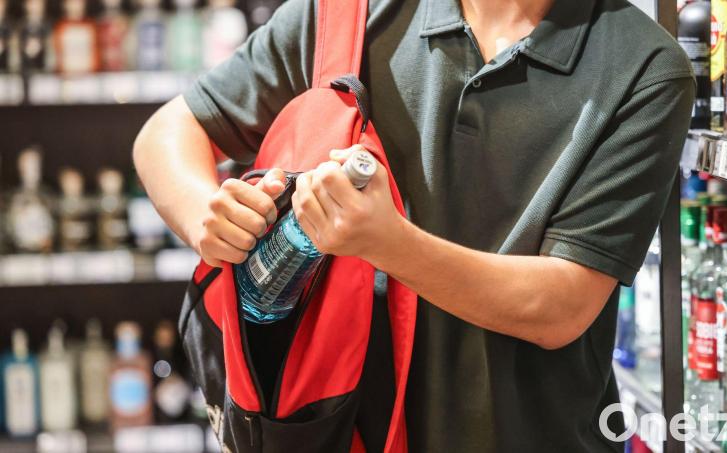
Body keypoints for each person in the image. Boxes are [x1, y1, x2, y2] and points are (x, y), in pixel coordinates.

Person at [133, 0, 694, 451]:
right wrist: (208, 215)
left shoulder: (643, 66)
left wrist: (390, 244)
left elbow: (561, 306)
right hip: (339, 429)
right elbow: (169, 131)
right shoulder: (345, 15)